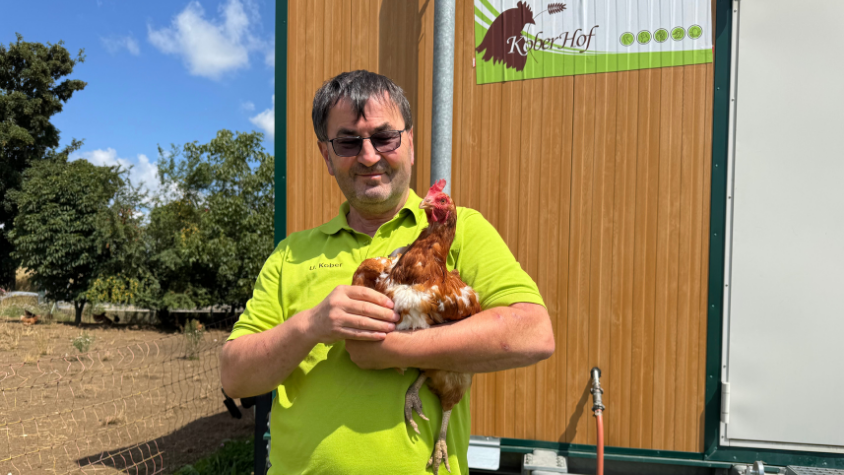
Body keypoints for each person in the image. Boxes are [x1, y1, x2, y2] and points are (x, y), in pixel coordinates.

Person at [220, 70, 555, 475]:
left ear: (409, 144)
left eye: (384, 137)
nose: (368, 155)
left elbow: (532, 333)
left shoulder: (461, 228)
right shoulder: (291, 253)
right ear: (327, 156)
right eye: (348, 141)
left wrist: (389, 351)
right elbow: (235, 378)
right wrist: (311, 324)